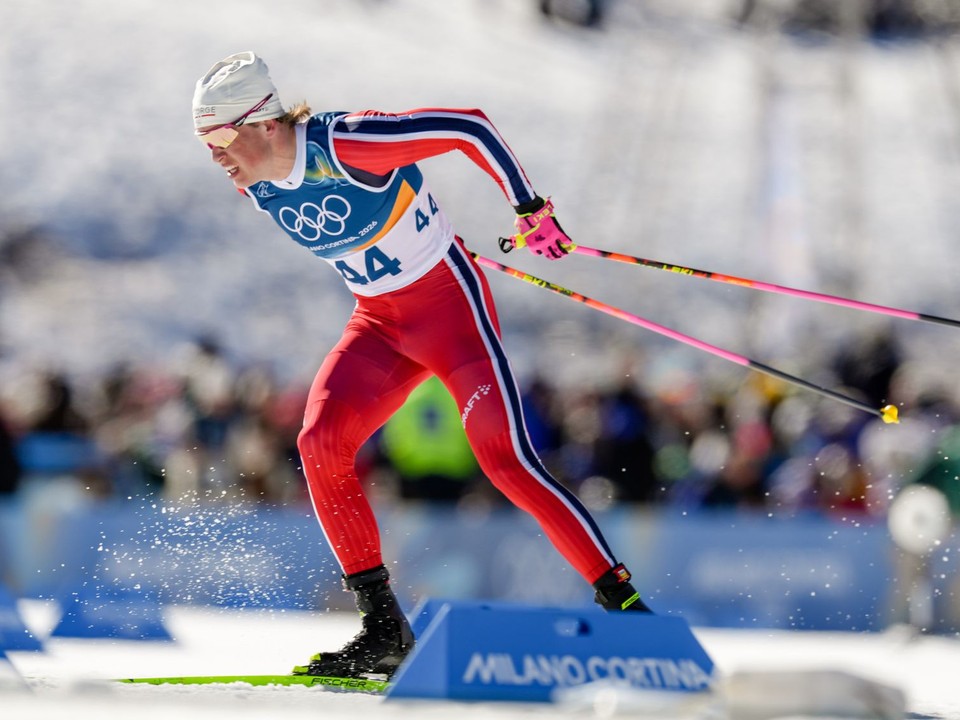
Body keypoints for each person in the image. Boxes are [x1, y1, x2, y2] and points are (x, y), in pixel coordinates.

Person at [191, 51, 651, 679]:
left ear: (266, 122)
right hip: (379, 325)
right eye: (203, 139)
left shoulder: (347, 143)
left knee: (504, 460)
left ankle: (629, 613)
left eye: (219, 134)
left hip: (449, 317)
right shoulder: (254, 181)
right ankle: (382, 630)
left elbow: (470, 127)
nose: (213, 153)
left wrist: (530, 209)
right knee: (320, 442)